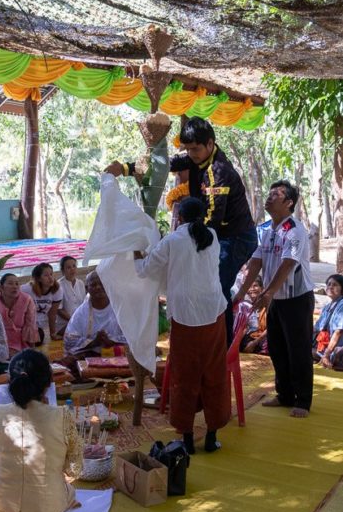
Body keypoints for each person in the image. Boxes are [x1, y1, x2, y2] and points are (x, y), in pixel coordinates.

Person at [105, 116, 257, 344]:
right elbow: (161, 166)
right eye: (188, 149)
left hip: (235, 238)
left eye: (195, 149)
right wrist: (125, 168)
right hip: (212, 233)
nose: (191, 154)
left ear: (210, 143)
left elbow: (212, 221)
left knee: (217, 285)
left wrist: (179, 240)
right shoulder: (194, 159)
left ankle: (220, 345)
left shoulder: (219, 172)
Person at [134, 197, 230, 454]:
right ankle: (211, 436)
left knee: (184, 376)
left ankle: (187, 439)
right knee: (214, 373)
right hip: (214, 313)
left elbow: (145, 270)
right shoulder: (211, 235)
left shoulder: (173, 240)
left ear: (179, 216)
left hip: (186, 316)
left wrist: (135, 254)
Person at [0, 349, 83, 512]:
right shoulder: (62, 416)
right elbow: (74, 469)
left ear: (10, 381)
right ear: (47, 385)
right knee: (70, 491)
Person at [233, 180, 314, 418]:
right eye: (269, 193)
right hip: (276, 298)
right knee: (277, 348)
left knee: (298, 349)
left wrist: (267, 292)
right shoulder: (266, 230)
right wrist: (240, 293)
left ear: (289, 203)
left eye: (276, 194)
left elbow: (288, 264)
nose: (269, 197)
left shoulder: (295, 230)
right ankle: (285, 395)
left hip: (296, 298)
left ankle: (302, 400)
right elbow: (256, 263)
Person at [63, 271, 127, 358]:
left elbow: (135, 335)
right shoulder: (81, 313)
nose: (98, 287)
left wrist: (113, 341)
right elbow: (69, 341)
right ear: (87, 288)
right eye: (93, 285)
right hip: (91, 354)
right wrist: (94, 342)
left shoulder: (120, 307)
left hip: (119, 353)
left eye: (102, 283)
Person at [0, 273, 38, 358]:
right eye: (10, 283)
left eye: (17, 284)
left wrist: (32, 352)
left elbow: (30, 325)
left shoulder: (26, 300)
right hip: (0, 342)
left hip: (21, 341)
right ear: (1, 287)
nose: (15, 286)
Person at [21, 263, 63, 344]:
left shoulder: (57, 290)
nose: (50, 278)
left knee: (38, 339)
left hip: (39, 326)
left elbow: (52, 314)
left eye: (51, 274)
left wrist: (52, 334)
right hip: (26, 323)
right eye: (46, 275)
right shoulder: (27, 289)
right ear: (39, 278)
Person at [313, 274, 343, 368]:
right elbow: (316, 328)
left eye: (334, 285)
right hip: (327, 346)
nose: (330, 287)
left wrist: (326, 354)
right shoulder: (327, 306)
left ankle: (328, 357)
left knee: (337, 354)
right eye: (329, 284)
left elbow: (338, 332)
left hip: (337, 345)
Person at [56, 256, 86, 336]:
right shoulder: (58, 285)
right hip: (64, 324)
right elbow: (58, 310)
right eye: (68, 267)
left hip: (79, 322)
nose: (72, 269)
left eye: (74, 266)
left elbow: (84, 305)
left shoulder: (80, 283)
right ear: (63, 271)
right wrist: (74, 321)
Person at [238, 276, 268, 355]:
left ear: (262, 288)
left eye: (255, 286)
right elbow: (245, 327)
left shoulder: (267, 305)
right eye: (249, 287)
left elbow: (271, 328)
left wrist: (254, 342)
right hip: (254, 335)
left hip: (264, 337)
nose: (251, 289)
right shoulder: (248, 307)